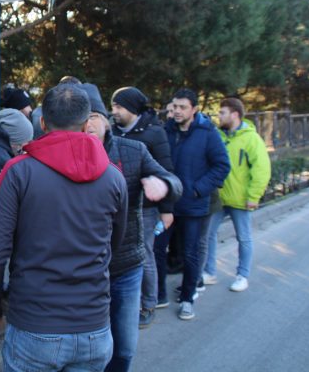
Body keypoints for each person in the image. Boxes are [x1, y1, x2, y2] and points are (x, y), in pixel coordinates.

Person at [0, 84, 128, 371]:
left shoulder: (18, 171)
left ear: (42, 122)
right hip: (93, 326)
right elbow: (114, 244)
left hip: (35, 325)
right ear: (86, 124)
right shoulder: (113, 177)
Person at [80, 83, 181, 371]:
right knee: (89, 350)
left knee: (123, 347)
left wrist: (163, 185)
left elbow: (174, 182)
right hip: (83, 271)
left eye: (93, 117)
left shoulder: (133, 150)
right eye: (81, 119)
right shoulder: (68, 155)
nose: (87, 125)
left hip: (126, 267)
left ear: (104, 118)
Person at [110, 86, 175, 328]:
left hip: (145, 208)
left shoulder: (153, 134)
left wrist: (167, 209)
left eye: (119, 106)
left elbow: (167, 172)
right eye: (113, 106)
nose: (114, 111)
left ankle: (149, 303)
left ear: (133, 109)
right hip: (118, 208)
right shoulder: (114, 132)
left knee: (144, 255)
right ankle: (127, 301)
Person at [163, 88, 230, 321]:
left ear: (194, 109)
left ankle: (188, 298)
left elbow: (221, 166)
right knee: (159, 248)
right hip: (168, 203)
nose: (177, 111)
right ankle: (158, 295)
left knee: (191, 253)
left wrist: (197, 189)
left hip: (193, 205)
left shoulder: (207, 133)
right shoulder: (167, 131)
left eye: (182, 107)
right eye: (174, 107)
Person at [205, 97, 271, 292]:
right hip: (219, 197)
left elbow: (261, 169)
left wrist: (254, 196)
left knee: (243, 237)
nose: (219, 116)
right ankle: (209, 272)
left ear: (234, 114)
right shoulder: (217, 135)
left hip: (241, 199)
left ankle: (242, 275)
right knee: (208, 234)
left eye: (222, 112)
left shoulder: (251, 138)